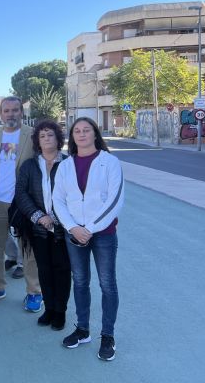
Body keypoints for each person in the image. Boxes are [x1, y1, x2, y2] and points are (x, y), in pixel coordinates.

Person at [53, 117, 124, 361]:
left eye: (87, 130)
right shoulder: (64, 166)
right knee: (80, 282)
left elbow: (114, 201)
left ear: (95, 134)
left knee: (107, 284)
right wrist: (73, 227)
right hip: (74, 234)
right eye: (77, 131)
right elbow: (58, 201)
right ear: (72, 137)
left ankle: (108, 335)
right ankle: (83, 330)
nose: (82, 134)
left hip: (103, 235)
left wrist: (90, 228)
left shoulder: (110, 163)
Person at [0, 96, 42, 311]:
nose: (11, 114)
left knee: (28, 250)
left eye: (15, 110)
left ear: (21, 112)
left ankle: (34, 292)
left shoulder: (33, 136)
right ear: (0, 113)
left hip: (24, 203)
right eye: (6, 111)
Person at [15, 120, 70, 331]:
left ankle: (60, 311)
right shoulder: (30, 165)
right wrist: (39, 216)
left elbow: (73, 196)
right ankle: (49, 309)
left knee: (62, 271)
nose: (47, 139)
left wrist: (55, 218)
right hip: (38, 229)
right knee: (44, 271)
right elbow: (21, 193)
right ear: (37, 141)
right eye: (42, 136)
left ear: (58, 138)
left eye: (50, 135)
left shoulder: (67, 164)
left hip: (62, 230)